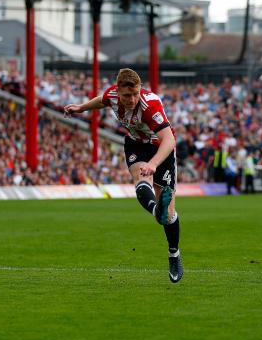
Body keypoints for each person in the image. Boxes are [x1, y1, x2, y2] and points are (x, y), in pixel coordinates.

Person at [63, 68, 183, 283]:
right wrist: (81, 108)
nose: (132, 99)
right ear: (118, 91)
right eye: (127, 95)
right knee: (140, 180)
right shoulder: (112, 95)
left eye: (135, 93)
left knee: (169, 216)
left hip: (161, 149)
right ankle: (158, 209)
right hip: (136, 144)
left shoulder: (150, 105)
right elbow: (102, 100)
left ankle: (174, 254)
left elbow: (169, 139)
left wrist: (154, 163)